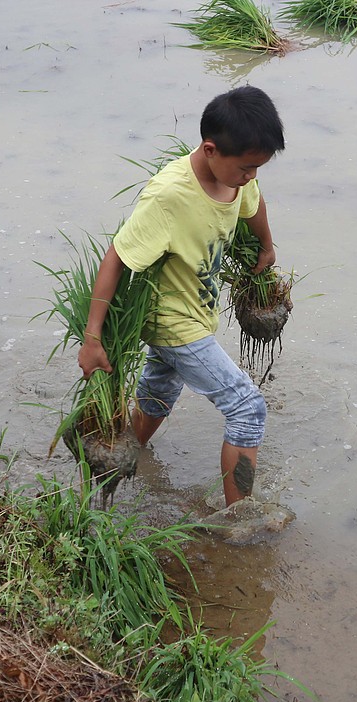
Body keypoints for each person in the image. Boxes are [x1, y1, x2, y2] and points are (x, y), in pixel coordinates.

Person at [77, 86, 285, 508]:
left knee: (157, 395)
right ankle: (239, 516)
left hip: (194, 313)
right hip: (171, 322)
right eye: (246, 168)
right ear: (210, 150)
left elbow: (252, 203)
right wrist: (93, 338)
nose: (251, 177)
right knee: (247, 409)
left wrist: (266, 245)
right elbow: (117, 256)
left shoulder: (237, 177)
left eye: (258, 168)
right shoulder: (169, 196)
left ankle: (110, 464)